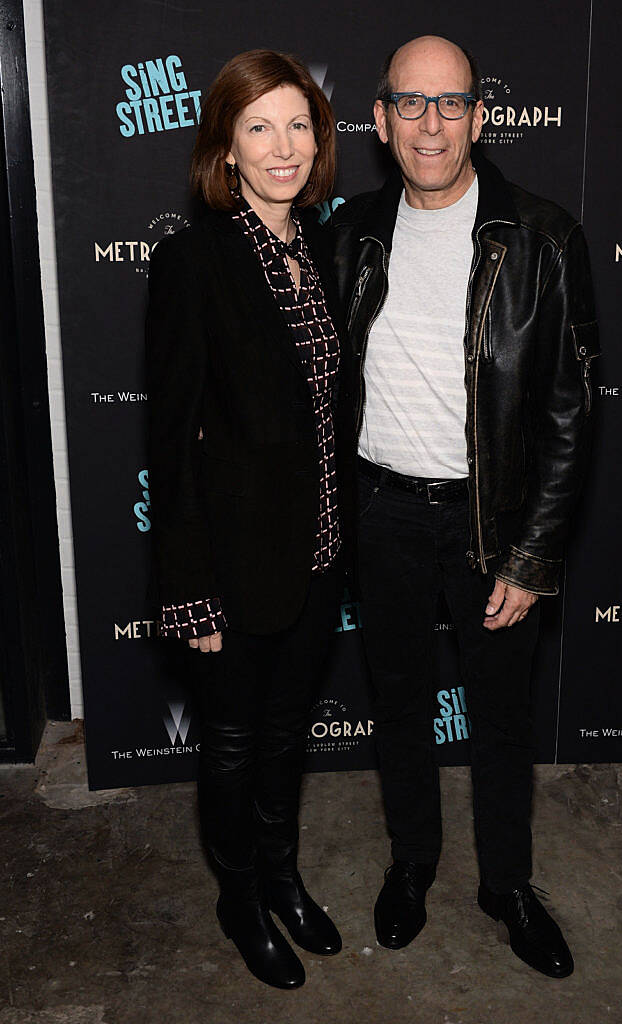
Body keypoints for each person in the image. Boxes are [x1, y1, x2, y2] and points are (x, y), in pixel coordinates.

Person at [331, 35, 599, 979]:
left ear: (480, 117)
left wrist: (532, 555)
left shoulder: (544, 236)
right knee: (397, 704)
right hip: (382, 516)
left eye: (450, 104)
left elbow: (570, 415)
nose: (431, 124)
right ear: (381, 121)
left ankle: (507, 886)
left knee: (501, 720)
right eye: (410, 104)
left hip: (493, 526)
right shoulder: (350, 232)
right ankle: (413, 863)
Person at [146, 49, 353, 990]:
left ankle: (281, 875)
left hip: (317, 553)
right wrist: (189, 588)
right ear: (226, 148)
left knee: (284, 738)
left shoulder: (321, 247)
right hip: (230, 565)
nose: (283, 146)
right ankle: (239, 898)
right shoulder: (194, 259)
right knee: (232, 745)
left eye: (298, 124)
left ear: (320, 139)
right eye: (259, 126)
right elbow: (170, 441)